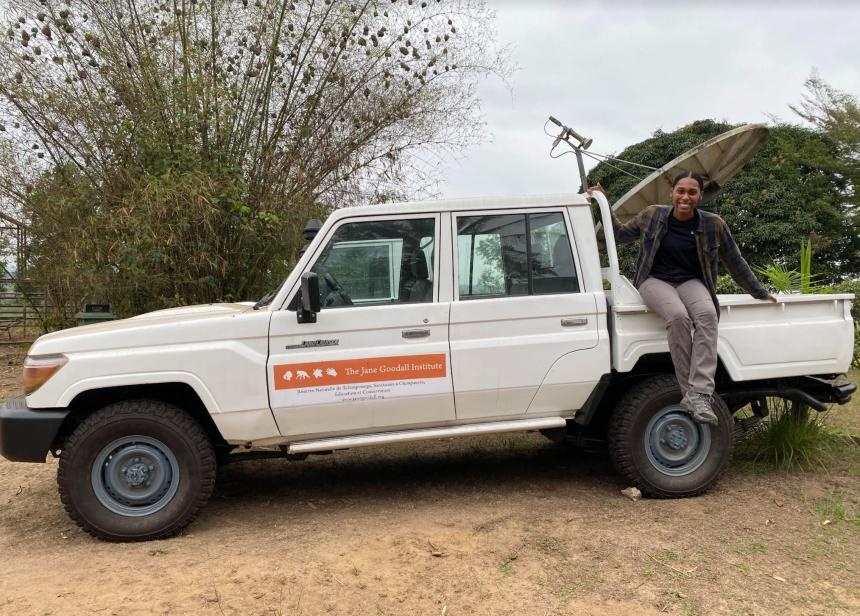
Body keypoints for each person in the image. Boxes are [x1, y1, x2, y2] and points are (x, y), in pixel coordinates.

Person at [588, 172, 777, 425]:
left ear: (699, 195)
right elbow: (620, 235)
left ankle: (700, 394)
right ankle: (690, 391)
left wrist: (759, 292)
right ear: (672, 193)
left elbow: (735, 261)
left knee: (708, 315)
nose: (685, 197)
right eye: (681, 191)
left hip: (691, 281)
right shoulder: (652, 215)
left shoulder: (713, 224)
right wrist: (602, 202)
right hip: (654, 280)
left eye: (691, 192)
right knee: (678, 317)